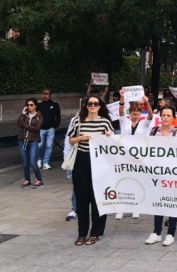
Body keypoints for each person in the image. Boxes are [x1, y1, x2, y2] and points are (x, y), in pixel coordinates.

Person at [68, 95, 114, 246]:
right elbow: (70, 140)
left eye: (96, 103)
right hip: (81, 160)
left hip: (99, 161)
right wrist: (81, 138)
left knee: (97, 198)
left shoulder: (105, 121)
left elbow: (113, 140)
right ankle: (82, 233)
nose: (93, 105)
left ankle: (96, 232)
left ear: (100, 106)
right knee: (81, 198)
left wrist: (109, 135)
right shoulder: (78, 120)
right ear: (86, 106)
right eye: (90, 103)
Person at [144, 107, 177, 246]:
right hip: (157, 173)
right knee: (158, 201)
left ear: (173, 118)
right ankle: (157, 232)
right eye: (163, 115)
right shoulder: (154, 131)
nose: (165, 117)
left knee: (172, 202)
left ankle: (171, 233)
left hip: (173, 173)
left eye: (168, 115)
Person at [115, 90, 153, 220]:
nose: (135, 113)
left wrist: (147, 103)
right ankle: (120, 208)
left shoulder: (144, 123)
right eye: (133, 111)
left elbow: (151, 116)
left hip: (138, 158)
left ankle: (135, 207)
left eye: (138, 111)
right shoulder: (124, 122)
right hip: (124, 157)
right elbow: (120, 111)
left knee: (136, 182)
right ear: (130, 112)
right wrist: (122, 97)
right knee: (123, 182)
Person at [18, 98, 44, 188]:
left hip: (33, 141)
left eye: (31, 105)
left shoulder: (39, 116)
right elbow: (18, 124)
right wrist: (22, 114)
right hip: (23, 140)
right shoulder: (24, 115)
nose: (29, 106)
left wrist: (25, 125)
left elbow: (36, 129)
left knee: (33, 162)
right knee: (25, 162)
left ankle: (39, 179)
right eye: (28, 105)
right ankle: (27, 180)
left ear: (35, 106)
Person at [37, 88, 61, 170]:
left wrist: (55, 124)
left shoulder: (54, 104)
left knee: (49, 145)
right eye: (46, 94)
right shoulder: (39, 105)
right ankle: (40, 159)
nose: (48, 95)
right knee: (40, 145)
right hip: (41, 128)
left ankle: (46, 162)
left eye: (49, 93)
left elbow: (58, 115)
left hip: (51, 128)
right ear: (43, 95)